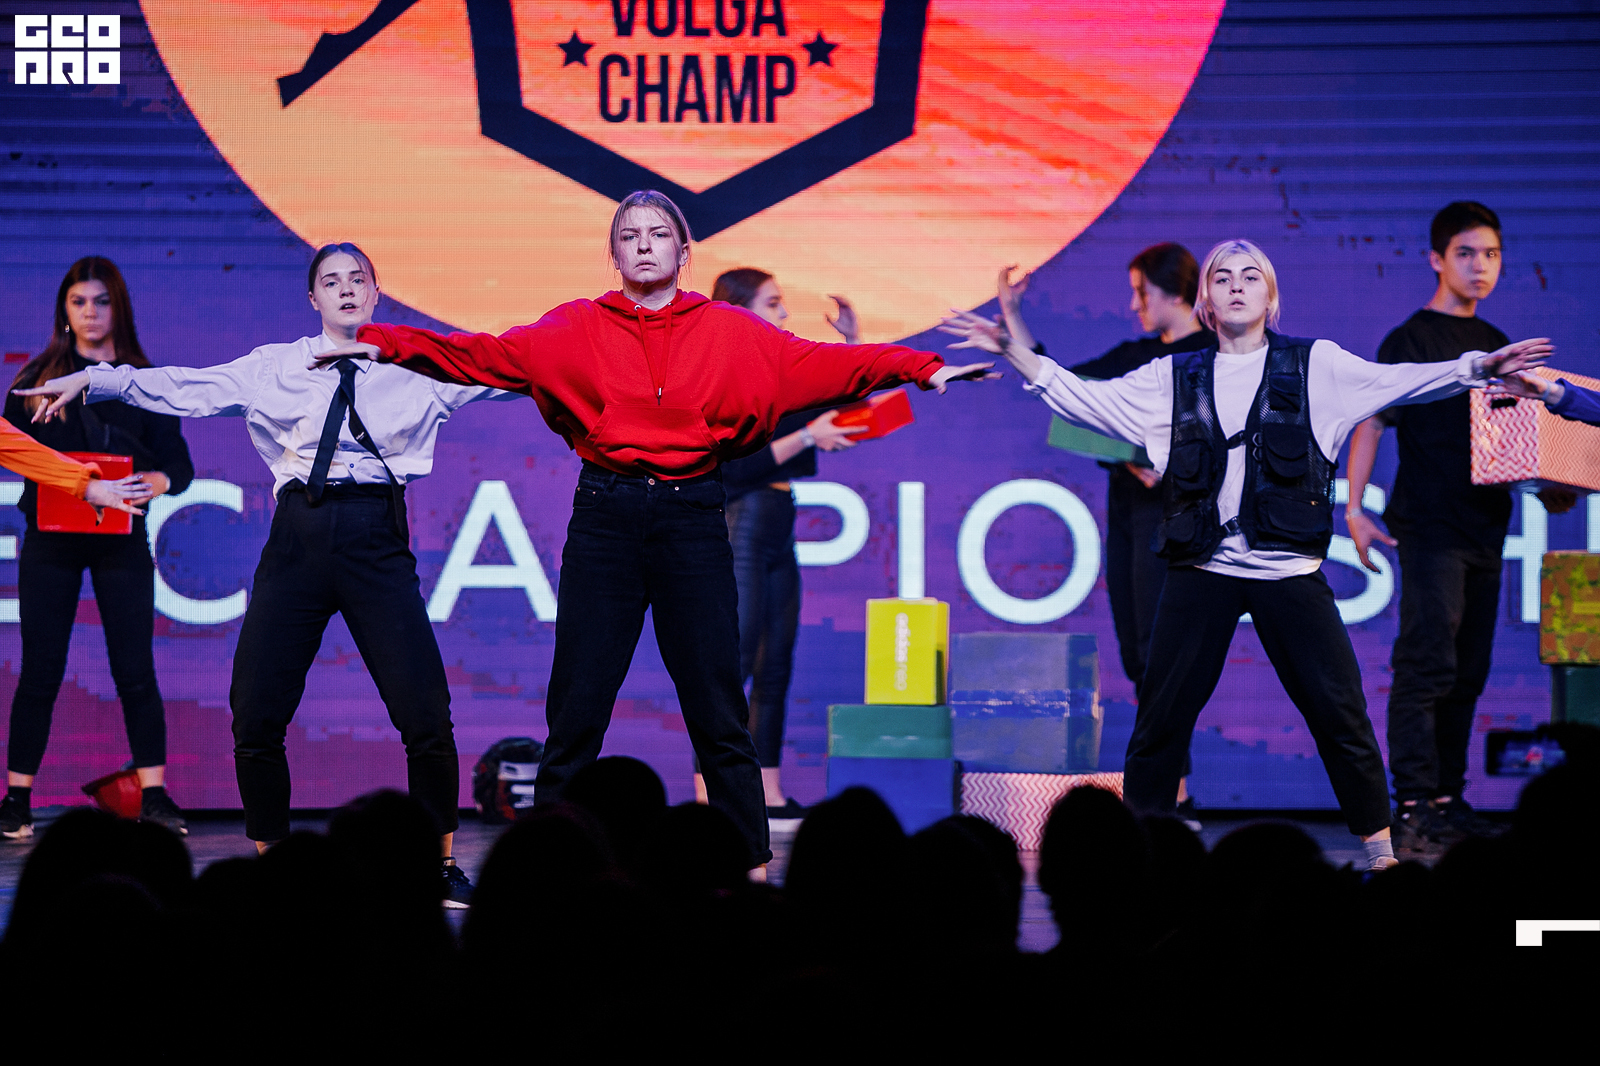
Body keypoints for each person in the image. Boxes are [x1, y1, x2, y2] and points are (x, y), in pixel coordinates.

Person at [319, 190, 996, 872]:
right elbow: (479, 354)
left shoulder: (731, 331)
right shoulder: (575, 327)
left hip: (691, 518)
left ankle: (747, 868)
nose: (644, 244)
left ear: (683, 250)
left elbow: (827, 365)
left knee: (718, 710)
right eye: (630, 235)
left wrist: (923, 367)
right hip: (606, 519)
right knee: (576, 711)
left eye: (658, 233)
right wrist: (380, 340)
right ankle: (549, 870)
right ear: (614, 254)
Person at [942, 238, 1551, 869]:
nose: (1236, 285)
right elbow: (1081, 397)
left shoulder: (1317, 366)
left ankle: (1381, 855)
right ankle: (1139, 858)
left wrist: (1479, 366)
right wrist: (1012, 349)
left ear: (1271, 296)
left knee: (1340, 715)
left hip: (1288, 572)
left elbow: (1401, 382)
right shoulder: (1171, 377)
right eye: (1223, 277)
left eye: (1250, 276)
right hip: (1202, 569)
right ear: (1205, 301)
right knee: (1159, 723)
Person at [17, 244, 518, 906]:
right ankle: (273, 862)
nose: (346, 289)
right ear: (313, 299)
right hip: (297, 542)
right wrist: (96, 380)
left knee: (426, 713)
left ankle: (438, 863)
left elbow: (508, 367)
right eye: (331, 281)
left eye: (357, 280)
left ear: (375, 293)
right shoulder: (273, 367)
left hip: (375, 536)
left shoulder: (418, 364)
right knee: (255, 712)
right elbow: (187, 387)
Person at [1344, 202, 1572, 851]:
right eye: (1466, 253)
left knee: (1468, 672)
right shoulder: (1410, 341)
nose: (1480, 266)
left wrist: (1549, 485)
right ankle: (1413, 806)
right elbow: (1371, 421)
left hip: (1486, 529)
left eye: (1491, 255)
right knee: (1426, 666)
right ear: (1436, 259)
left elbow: (1515, 438)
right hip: (1430, 528)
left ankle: (1447, 797)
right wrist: (1354, 509)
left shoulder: (1499, 343)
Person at [998, 246, 1216, 828]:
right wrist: (1012, 316)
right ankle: (1171, 790)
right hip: (1130, 515)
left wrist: (1173, 461)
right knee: (1138, 651)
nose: (1134, 304)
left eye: (1141, 291)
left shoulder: (1217, 355)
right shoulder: (1135, 356)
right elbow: (1064, 388)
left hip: (1183, 518)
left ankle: (1171, 794)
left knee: (1167, 653)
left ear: (1174, 292)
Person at [1, 257, 193, 841]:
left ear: (119, 308)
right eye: (79, 301)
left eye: (101, 301)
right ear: (64, 309)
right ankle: (16, 800)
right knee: (40, 669)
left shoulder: (143, 382)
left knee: (135, 668)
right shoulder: (36, 381)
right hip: (51, 540)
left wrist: (154, 482)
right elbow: (14, 450)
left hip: (121, 540)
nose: (90, 313)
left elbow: (179, 467)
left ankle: (154, 795)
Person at [699, 270, 870, 818]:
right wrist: (807, 436)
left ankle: (768, 791)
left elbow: (840, 409)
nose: (785, 314)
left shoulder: (780, 374)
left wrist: (852, 343)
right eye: (773, 303)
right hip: (741, 522)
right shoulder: (721, 377)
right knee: (735, 662)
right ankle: (709, 792)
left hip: (777, 521)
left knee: (776, 663)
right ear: (740, 311)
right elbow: (733, 466)